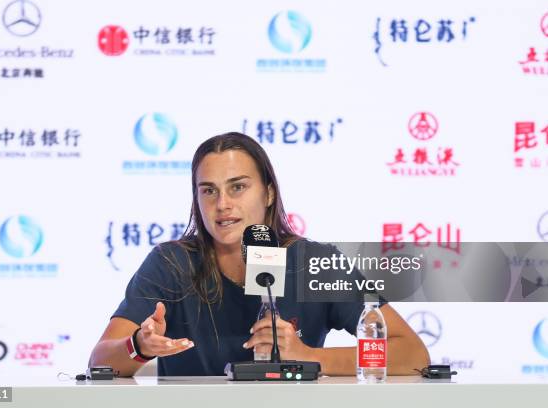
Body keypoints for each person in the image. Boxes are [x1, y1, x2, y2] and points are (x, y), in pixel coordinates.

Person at [89, 132, 429, 377]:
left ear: (268, 193)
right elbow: (100, 360)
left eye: (238, 187)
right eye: (209, 191)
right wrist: (139, 345)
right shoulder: (170, 263)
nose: (222, 204)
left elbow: (413, 354)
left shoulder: (314, 263)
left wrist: (308, 357)